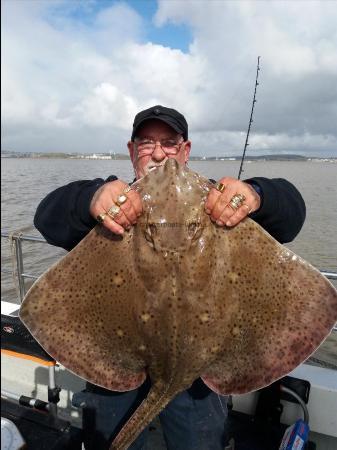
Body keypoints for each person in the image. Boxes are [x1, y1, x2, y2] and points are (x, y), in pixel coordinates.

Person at [34, 105, 306, 450]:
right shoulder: (109, 205)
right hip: (116, 362)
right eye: (147, 143)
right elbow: (46, 217)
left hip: (199, 377)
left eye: (169, 143)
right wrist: (90, 199)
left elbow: (292, 214)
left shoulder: (221, 204)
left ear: (185, 150)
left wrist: (256, 195)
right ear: (132, 151)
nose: (159, 153)